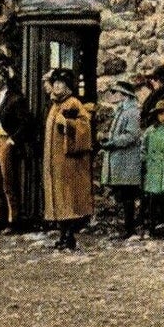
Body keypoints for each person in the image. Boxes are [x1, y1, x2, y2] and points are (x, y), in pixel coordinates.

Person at [41, 68, 94, 252]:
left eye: (60, 83)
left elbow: (85, 127)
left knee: (68, 200)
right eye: (55, 83)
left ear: (68, 86)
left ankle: (69, 236)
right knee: (58, 199)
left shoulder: (73, 103)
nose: (56, 86)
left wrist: (70, 124)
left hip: (68, 163)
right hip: (55, 163)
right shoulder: (56, 104)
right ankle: (63, 235)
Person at [0, 64, 32, 234]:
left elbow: (25, 122)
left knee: (8, 181)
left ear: (3, 79)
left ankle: (14, 221)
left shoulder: (15, 98)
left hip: (4, 141)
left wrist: (12, 140)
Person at [98, 79, 143, 236]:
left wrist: (112, 142)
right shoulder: (122, 111)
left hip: (127, 161)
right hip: (122, 160)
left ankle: (130, 228)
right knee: (124, 195)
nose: (112, 95)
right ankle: (128, 227)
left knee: (128, 195)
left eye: (115, 92)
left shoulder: (131, 112)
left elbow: (132, 136)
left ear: (124, 95)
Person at [141, 100, 164, 235]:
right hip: (153, 168)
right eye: (161, 114)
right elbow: (143, 148)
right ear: (156, 115)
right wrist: (145, 161)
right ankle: (152, 226)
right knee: (153, 198)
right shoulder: (150, 132)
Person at [139, 61, 164, 129]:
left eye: (155, 78)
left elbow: (158, 117)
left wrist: (143, 124)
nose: (152, 81)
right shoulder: (157, 92)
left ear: (163, 79)